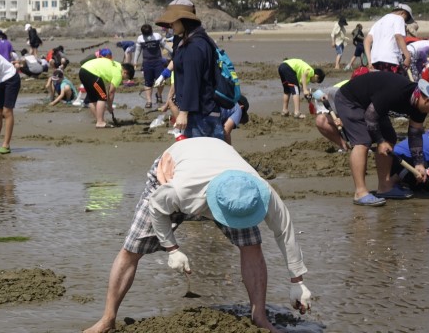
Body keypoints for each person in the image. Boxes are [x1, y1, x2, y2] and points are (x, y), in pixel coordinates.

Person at [83, 138, 311, 333]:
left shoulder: (256, 191)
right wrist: (172, 249)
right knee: (132, 248)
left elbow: (285, 230)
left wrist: (297, 281)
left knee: (252, 244)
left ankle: (259, 317)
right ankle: (107, 318)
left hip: (229, 174)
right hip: (174, 170)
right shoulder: (180, 190)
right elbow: (157, 207)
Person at [314, 72, 429, 206]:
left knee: (389, 137)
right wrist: (380, 142)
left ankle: (385, 187)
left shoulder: (420, 107)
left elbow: (415, 134)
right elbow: (370, 118)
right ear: (428, 100)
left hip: (373, 105)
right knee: (363, 141)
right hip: (350, 100)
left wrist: (419, 163)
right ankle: (360, 192)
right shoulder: (396, 92)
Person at [155, 0, 223, 140]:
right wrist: (165, 74)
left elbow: (192, 80)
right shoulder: (193, 39)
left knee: (201, 157)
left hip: (201, 113)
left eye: (173, 22)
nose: (170, 26)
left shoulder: (194, 46)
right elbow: (178, 59)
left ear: (184, 21)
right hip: (204, 110)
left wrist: (183, 112)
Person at [79, 56, 130, 128]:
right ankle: (100, 122)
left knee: (92, 98)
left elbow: (108, 87)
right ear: (125, 72)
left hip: (83, 70)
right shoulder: (118, 74)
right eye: (126, 78)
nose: (124, 80)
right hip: (92, 73)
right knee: (102, 97)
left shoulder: (117, 65)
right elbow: (111, 92)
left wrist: (109, 105)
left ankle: (99, 120)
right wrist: (109, 107)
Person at [364, 3, 413, 74]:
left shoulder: (379, 21)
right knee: (395, 84)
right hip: (390, 60)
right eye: (406, 19)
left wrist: (369, 61)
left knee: (381, 84)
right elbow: (398, 36)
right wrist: (407, 56)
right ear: (403, 13)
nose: (405, 22)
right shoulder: (399, 18)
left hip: (375, 61)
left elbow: (367, 41)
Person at [134, 23, 170, 108]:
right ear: (142, 33)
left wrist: (173, 51)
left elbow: (164, 45)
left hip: (158, 61)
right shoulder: (140, 38)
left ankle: (159, 95)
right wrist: (135, 61)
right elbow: (138, 50)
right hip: (147, 62)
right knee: (148, 82)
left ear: (152, 31)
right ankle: (149, 101)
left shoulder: (157, 36)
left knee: (160, 81)